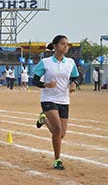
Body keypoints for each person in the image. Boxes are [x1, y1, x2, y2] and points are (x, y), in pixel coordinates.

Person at [32, 35, 79, 170]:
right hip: (48, 99)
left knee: (61, 134)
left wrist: (74, 84)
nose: (66, 46)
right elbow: (35, 80)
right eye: (63, 44)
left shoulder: (70, 62)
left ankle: (43, 119)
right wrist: (46, 84)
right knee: (57, 129)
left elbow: (75, 76)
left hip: (64, 99)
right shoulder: (46, 62)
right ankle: (57, 160)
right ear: (55, 46)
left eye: (67, 44)